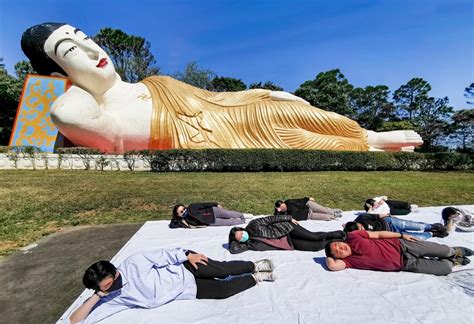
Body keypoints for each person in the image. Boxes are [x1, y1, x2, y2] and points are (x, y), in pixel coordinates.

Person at [21, 22, 423, 153]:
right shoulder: (92, 110)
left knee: (283, 104)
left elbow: (213, 98)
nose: (92, 49)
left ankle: (368, 134)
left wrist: (256, 94)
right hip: (215, 137)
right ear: (58, 71)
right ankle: (367, 145)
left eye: (84, 36)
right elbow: (64, 114)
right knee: (290, 135)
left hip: (230, 110)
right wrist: (65, 83)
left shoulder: (152, 81)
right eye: (70, 49)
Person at [64, 248, 275, 324]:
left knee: (222, 269)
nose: (113, 287)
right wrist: (97, 297)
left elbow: (163, 255)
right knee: (223, 290)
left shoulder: (133, 263)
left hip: (184, 268)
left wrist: (187, 255)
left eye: (112, 282)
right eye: (106, 288)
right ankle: (255, 278)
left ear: (115, 272)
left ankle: (253, 265)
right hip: (186, 288)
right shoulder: (113, 298)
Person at [325, 221, 472, 276]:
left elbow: (378, 234)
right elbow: (332, 266)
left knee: (443, 251)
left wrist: (402, 235)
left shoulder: (354, 236)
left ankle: (453, 252)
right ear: (339, 258)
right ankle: (454, 262)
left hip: (402, 245)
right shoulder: (350, 262)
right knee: (445, 269)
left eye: (337, 244)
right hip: (404, 264)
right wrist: (328, 256)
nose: (339, 248)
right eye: (336, 251)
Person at [228, 215, 346, 254]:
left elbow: (272, 219)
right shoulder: (250, 244)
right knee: (315, 247)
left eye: (241, 233)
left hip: (287, 229)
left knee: (314, 236)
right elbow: (234, 250)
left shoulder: (253, 224)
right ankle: (337, 241)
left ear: (241, 228)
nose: (243, 236)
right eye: (240, 238)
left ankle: (337, 233)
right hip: (288, 243)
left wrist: (289, 218)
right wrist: (233, 240)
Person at [348, 213, 448, 240]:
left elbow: (379, 216)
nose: (362, 228)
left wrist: (390, 216)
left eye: (361, 226)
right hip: (391, 234)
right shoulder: (360, 235)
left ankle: (432, 226)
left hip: (389, 223)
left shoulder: (362, 217)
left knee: (415, 226)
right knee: (416, 238)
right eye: (360, 230)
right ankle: (433, 233)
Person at [169, 203, 252, 228]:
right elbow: (173, 224)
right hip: (211, 222)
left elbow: (204, 204)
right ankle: (243, 221)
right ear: (178, 215)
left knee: (228, 214)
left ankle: (243, 215)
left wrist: (216, 204)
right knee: (228, 222)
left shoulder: (192, 207)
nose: (184, 211)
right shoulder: (185, 221)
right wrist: (178, 219)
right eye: (181, 212)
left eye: (183, 208)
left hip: (213, 211)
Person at [274, 197, 342, 221]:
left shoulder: (288, 202)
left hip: (309, 206)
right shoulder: (283, 215)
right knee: (326, 217)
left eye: (284, 205)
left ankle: (333, 211)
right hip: (308, 216)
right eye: (283, 208)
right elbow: (277, 218)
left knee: (324, 210)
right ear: (279, 209)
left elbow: (299, 200)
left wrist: (308, 198)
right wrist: (277, 212)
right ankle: (334, 216)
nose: (285, 207)